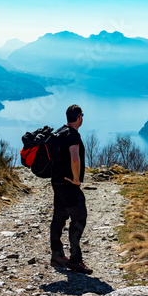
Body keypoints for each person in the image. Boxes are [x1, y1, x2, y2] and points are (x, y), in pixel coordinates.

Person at [49, 104, 93, 274]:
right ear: (79, 117)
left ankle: (57, 255)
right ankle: (75, 260)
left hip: (57, 182)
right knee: (79, 218)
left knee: (59, 217)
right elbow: (75, 159)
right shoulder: (73, 136)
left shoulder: (60, 132)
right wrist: (76, 180)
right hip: (68, 184)